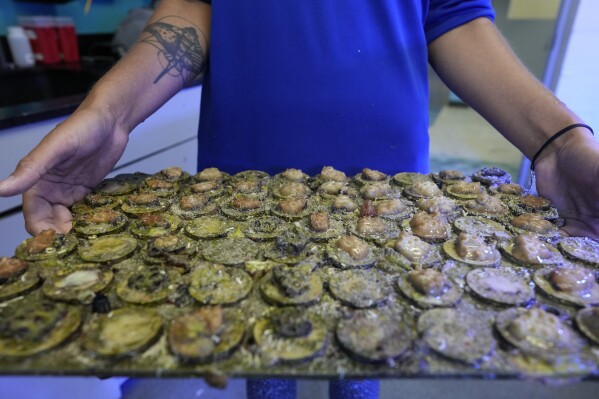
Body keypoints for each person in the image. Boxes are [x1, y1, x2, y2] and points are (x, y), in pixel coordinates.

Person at [0, 1, 598, 398]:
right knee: (267, 358)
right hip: (240, 189)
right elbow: (191, 7)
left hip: (386, 194)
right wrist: (108, 111)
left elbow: (454, 12)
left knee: (366, 352)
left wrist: (557, 141)